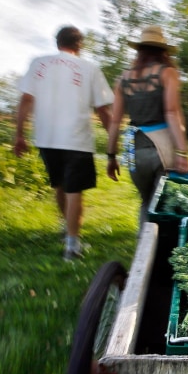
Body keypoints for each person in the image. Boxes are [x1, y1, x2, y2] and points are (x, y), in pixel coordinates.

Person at [14, 25, 114, 261]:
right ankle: (72, 245)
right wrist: (113, 141)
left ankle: (66, 228)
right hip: (76, 137)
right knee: (74, 189)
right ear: (80, 45)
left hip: (46, 137)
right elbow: (102, 109)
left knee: (59, 184)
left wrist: (18, 134)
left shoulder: (38, 63)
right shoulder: (89, 68)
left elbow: (26, 100)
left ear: (57, 42)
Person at [106, 25, 188, 225]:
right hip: (163, 148)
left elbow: (115, 122)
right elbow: (172, 112)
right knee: (169, 206)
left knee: (146, 203)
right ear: (164, 51)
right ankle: (167, 252)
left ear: (139, 51)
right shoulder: (168, 73)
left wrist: (111, 156)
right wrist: (182, 152)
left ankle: (143, 253)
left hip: (134, 149)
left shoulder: (122, 79)